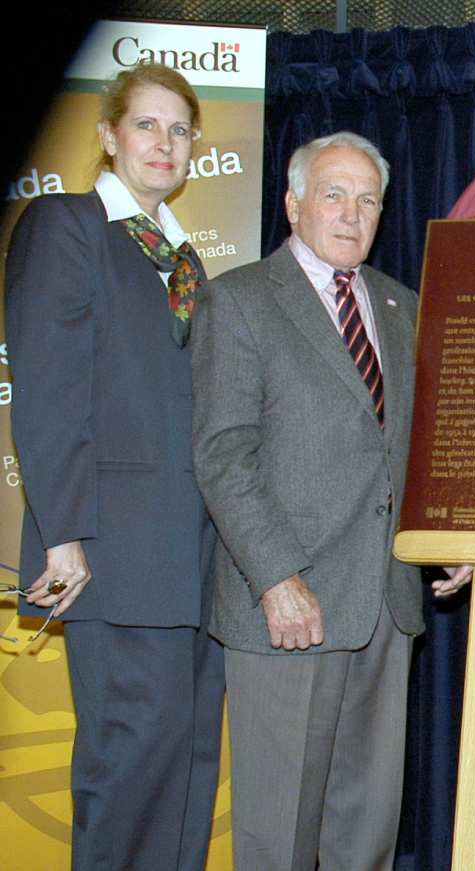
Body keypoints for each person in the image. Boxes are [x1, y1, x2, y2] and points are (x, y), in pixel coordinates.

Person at [191, 131, 472, 870]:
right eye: (333, 194)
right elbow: (223, 455)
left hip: (385, 603)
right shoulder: (240, 300)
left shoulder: (402, 306)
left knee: (368, 834)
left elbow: (417, 448)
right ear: (293, 204)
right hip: (288, 606)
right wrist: (277, 579)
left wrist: (448, 537)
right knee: (278, 837)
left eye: (369, 199)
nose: (352, 214)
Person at [5, 63, 223, 870]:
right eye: (147, 126)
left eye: (179, 130)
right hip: (113, 553)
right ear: (107, 136)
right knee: (128, 768)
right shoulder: (66, 224)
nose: (165, 144)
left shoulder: (181, 255)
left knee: (188, 763)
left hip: (192, 557)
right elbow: (50, 387)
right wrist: (64, 537)